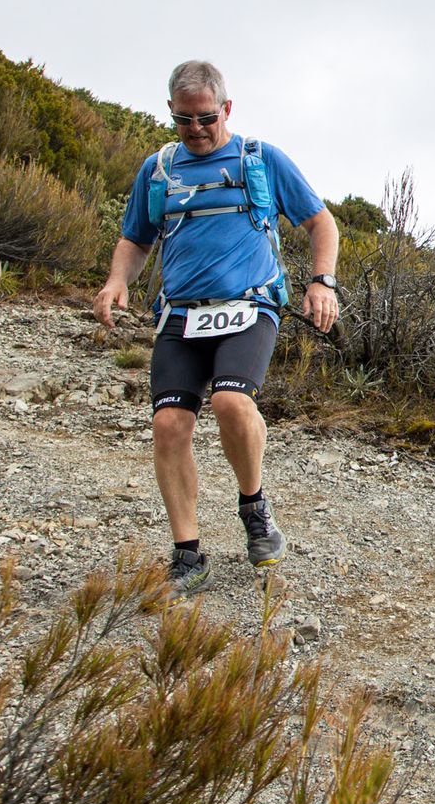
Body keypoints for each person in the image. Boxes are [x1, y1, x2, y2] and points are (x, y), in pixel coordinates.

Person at [93, 61, 340, 595]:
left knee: (231, 403)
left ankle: (254, 507)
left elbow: (321, 222)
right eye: (184, 120)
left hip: (248, 309)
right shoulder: (157, 170)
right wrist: (117, 281)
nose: (196, 130)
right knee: (168, 427)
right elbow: (135, 239)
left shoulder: (261, 160)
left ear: (226, 109)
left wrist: (322, 282)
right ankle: (187, 553)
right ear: (172, 114)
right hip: (180, 314)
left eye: (206, 117)